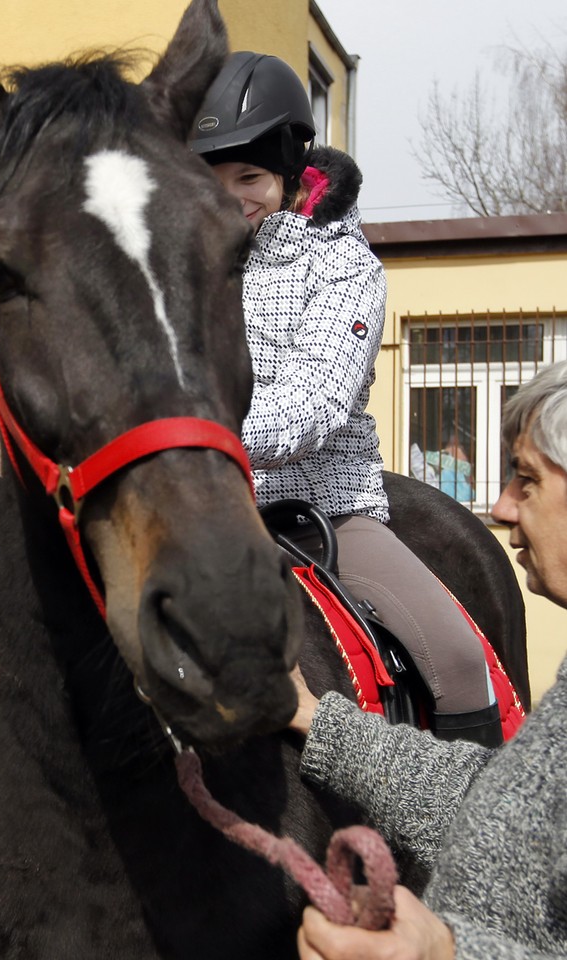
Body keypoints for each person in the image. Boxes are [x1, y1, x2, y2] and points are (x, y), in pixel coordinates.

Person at [190, 52, 504, 745]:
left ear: (289, 174)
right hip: (203, 494)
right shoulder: (186, 260)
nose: (231, 198)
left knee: (454, 660)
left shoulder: (342, 265)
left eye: (249, 178)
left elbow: (317, 402)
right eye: (213, 182)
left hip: (320, 506)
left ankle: (473, 832)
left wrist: (198, 433)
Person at [290, 360, 567, 960]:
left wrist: (443, 952)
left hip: (331, 507)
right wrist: (316, 719)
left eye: (528, 480)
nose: (503, 506)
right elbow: (503, 807)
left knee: (458, 658)